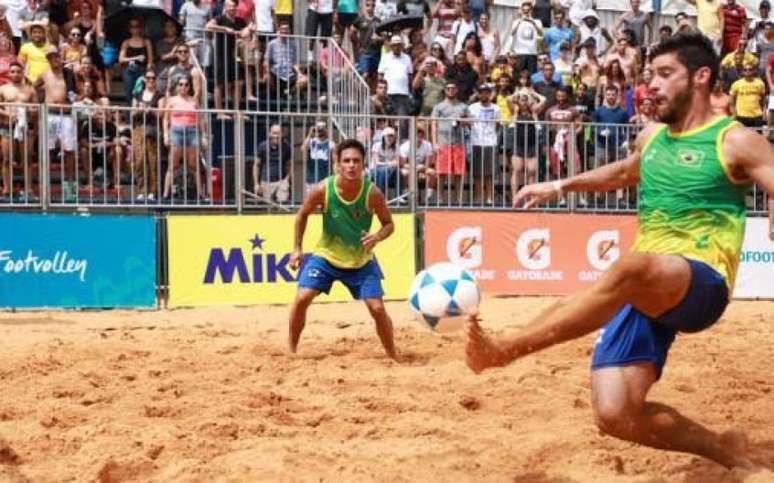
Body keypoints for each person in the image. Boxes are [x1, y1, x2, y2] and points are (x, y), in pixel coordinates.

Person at [464, 32, 774, 470]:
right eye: (650, 75)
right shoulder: (652, 137)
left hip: (701, 282)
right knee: (615, 414)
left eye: (666, 74)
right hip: (647, 285)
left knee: (630, 267)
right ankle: (726, 450)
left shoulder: (733, 139)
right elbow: (627, 171)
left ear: (701, 77)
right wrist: (560, 185)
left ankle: (507, 348)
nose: (652, 85)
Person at [288, 138, 399, 360]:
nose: (351, 165)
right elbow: (302, 215)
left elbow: (389, 224)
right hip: (327, 257)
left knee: (377, 309)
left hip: (360, 261)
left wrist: (376, 237)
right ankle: (291, 350)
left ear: (364, 164)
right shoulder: (323, 189)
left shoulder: (372, 193)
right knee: (302, 299)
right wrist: (297, 248)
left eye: (356, 161)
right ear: (337, 164)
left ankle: (393, 354)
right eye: (346, 161)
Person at [36, 47, 77, 202]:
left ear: (60, 57)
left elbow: (74, 92)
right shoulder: (44, 74)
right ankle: (45, 186)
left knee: (69, 150)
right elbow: (34, 87)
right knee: (47, 150)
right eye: (50, 57)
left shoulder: (68, 73)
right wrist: (41, 101)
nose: (53, 60)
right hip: (49, 114)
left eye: (56, 57)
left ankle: (69, 187)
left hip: (65, 114)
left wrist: (71, 101)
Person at [163, 75, 207, 201]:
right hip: (176, 131)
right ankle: (166, 194)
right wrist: (166, 134)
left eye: (186, 84)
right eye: (181, 84)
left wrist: (203, 135)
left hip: (192, 131)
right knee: (173, 164)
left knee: (194, 165)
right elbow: (165, 119)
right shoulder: (171, 100)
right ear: (177, 87)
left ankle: (200, 194)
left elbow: (200, 119)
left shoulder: (193, 101)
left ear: (189, 87)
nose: (183, 87)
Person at [0, 61, 35, 201]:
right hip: (7, 125)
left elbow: (36, 108)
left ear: (22, 73)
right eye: (12, 71)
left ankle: (29, 189)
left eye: (18, 71)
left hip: (25, 125)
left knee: (27, 158)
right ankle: (7, 189)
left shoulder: (30, 89)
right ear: (9, 73)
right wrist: (8, 115)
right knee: (7, 159)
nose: (15, 74)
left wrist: (28, 112)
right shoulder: (2, 89)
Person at [431, 79, 468, 205]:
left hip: (459, 143)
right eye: (448, 88)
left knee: (459, 173)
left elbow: (470, 122)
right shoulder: (439, 106)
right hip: (443, 143)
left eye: (453, 88)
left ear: (456, 90)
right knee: (441, 173)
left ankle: (459, 199)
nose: (451, 90)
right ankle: (440, 198)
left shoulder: (463, 106)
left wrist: (461, 121)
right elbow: (433, 124)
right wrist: (435, 142)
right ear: (445, 90)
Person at [468, 83, 500, 205]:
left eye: (487, 92)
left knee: (489, 173)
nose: (484, 94)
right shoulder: (472, 107)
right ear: (479, 94)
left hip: (490, 142)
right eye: (482, 92)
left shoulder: (496, 108)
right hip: (476, 141)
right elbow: (469, 123)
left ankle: (489, 198)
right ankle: (478, 198)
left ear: (490, 93)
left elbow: (497, 124)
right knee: (477, 173)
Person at [252, 124, 292, 204]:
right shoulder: (262, 146)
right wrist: (256, 184)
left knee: (282, 205)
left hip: (281, 182)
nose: (276, 136)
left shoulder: (286, 146)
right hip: (266, 182)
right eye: (274, 133)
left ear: (282, 134)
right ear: (269, 134)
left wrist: (287, 180)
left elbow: (290, 165)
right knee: (267, 207)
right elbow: (256, 165)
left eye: (278, 133)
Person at [118, 19, 154, 105]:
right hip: (129, 70)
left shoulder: (146, 42)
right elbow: (121, 59)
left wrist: (149, 70)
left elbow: (150, 59)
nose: (135, 29)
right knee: (129, 94)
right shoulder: (126, 42)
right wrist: (136, 58)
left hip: (142, 70)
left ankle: (140, 115)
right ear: (129, 29)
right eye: (132, 27)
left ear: (140, 28)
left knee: (141, 94)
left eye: (137, 26)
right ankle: (129, 116)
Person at [508, 1, 543, 75]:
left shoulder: (537, 21)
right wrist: (520, 21)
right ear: (521, 11)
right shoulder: (516, 21)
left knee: (532, 75)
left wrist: (532, 22)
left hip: (532, 53)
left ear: (531, 11)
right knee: (518, 75)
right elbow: (512, 33)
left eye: (528, 10)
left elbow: (541, 33)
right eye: (524, 10)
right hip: (519, 52)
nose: (526, 12)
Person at [303, 121, 337, 194]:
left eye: (322, 128)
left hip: (324, 179)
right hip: (311, 179)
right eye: (318, 127)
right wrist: (310, 134)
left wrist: (335, 175)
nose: (320, 130)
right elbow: (303, 148)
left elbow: (335, 161)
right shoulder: (311, 141)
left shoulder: (331, 143)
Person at [730, 63, 766, 127]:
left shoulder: (760, 83)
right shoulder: (736, 84)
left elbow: (763, 99)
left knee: (756, 136)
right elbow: (732, 101)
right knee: (742, 136)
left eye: (750, 69)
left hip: (757, 115)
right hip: (741, 115)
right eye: (745, 70)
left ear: (754, 71)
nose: (747, 71)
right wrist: (734, 113)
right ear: (742, 72)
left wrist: (764, 112)